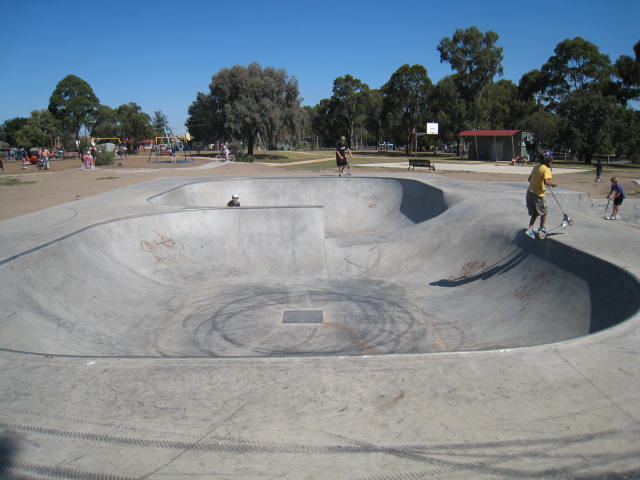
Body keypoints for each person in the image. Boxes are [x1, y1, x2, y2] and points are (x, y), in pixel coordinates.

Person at [525, 150, 558, 239]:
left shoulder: (536, 167)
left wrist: (537, 182)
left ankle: (530, 229)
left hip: (530, 192)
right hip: (538, 194)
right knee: (544, 211)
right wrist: (553, 184)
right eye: (551, 160)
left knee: (535, 212)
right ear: (548, 161)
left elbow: (529, 179)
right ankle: (542, 229)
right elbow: (546, 181)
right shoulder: (545, 169)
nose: (552, 162)